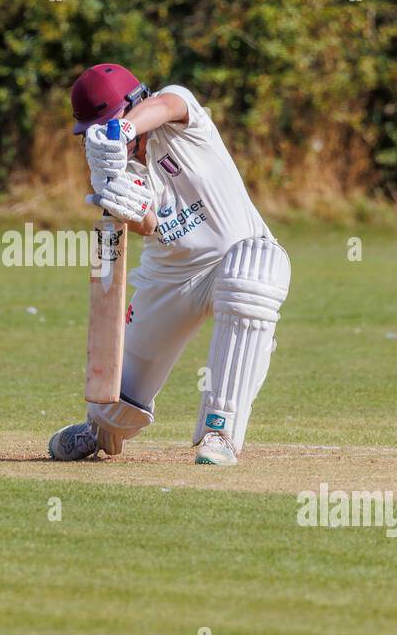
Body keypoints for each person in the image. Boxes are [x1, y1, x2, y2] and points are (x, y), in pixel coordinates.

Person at [48, 63, 291, 465]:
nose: (105, 137)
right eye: (95, 130)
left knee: (252, 275)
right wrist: (124, 199)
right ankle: (97, 430)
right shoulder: (117, 167)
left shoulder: (179, 115)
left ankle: (221, 432)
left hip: (240, 252)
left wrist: (123, 129)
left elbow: (167, 105)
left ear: (134, 105)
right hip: (172, 278)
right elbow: (147, 226)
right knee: (112, 412)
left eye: (111, 124)